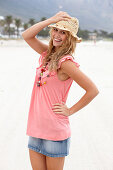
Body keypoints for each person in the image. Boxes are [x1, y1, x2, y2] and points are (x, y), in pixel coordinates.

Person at [22, 11, 99, 170]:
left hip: (55, 132)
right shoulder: (47, 54)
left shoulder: (66, 62)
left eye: (63, 32)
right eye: (55, 29)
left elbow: (92, 90)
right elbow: (27, 35)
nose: (57, 35)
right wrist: (51, 20)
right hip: (36, 128)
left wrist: (70, 110)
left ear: (69, 37)